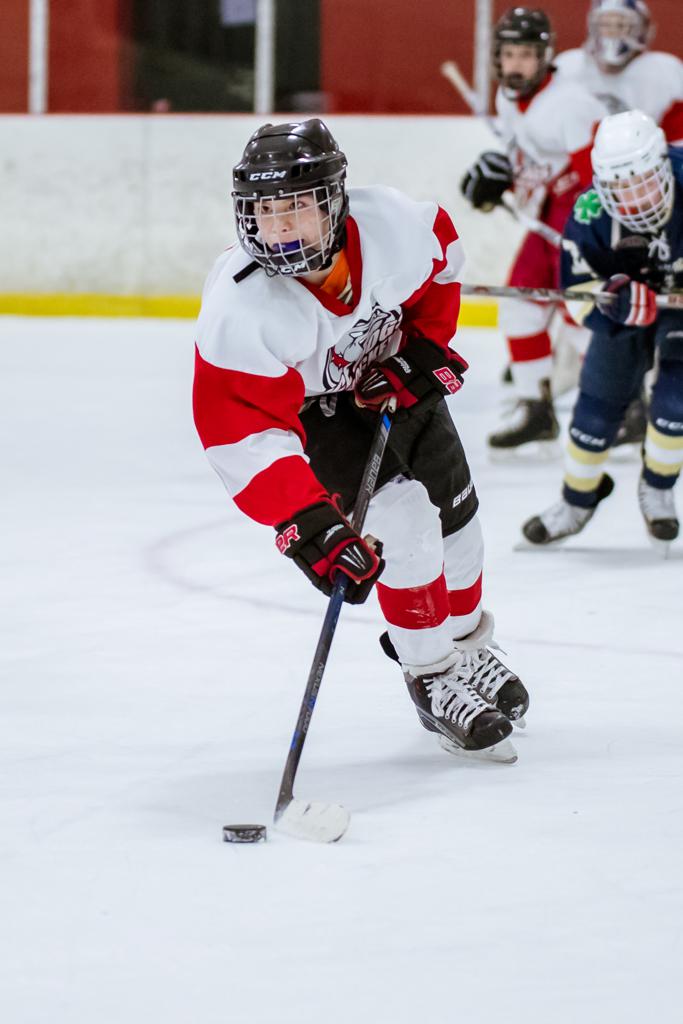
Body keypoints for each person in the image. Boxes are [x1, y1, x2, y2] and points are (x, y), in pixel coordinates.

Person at [192, 118, 529, 760]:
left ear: (335, 201)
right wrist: (308, 521)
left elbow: (440, 266)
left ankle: (466, 644)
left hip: (391, 377)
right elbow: (241, 430)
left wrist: (424, 349)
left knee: (461, 531)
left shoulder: (394, 225)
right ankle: (432, 674)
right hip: (317, 412)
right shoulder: (241, 309)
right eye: (265, 213)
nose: (280, 228)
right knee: (405, 526)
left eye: (296, 209)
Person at [522, 110, 683, 552]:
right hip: (624, 316)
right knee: (595, 412)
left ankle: (659, 487)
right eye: (620, 188)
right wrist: (611, 298)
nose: (633, 200)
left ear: (664, 167)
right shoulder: (589, 211)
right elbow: (574, 299)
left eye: (643, 182)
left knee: (676, 404)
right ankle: (576, 501)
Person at [460, 7, 608, 454]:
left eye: (526, 54)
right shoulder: (507, 99)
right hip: (546, 212)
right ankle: (535, 409)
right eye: (509, 54)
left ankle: (615, 409)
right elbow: (523, 155)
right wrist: (498, 177)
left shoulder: (572, 103)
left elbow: (597, 179)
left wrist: (593, 239)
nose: (517, 64)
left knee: (580, 316)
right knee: (519, 303)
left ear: (545, 56)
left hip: (579, 212)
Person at [556, 0, 682, 142]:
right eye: (605, 24)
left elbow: (678, 141)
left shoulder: (664, 71)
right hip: (581, 156)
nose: (612, 32)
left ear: (642, 29)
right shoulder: (568, 66)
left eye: (621, 25)